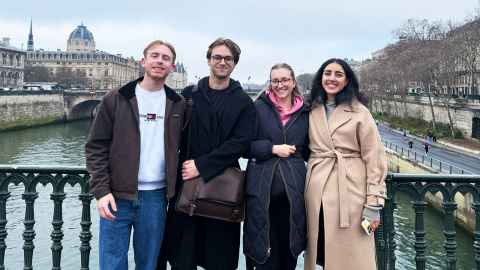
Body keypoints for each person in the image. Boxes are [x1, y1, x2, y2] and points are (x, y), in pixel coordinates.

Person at [85, 40, 185, 270]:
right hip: (116, 196)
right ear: (143, 61)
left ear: (172, 66)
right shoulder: (116, 98)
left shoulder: (178, 104)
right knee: (112, 263)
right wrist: (101, 191)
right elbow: (95, 147)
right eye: (155, 55)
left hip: (156, 197)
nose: (160, 61)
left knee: (148, 264)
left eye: (166, 58)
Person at [160, 38, 256, 270]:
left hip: (221, 187)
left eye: (228, 59)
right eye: (217, 57)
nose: (222, 62)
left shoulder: (243, 101)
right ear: (208, 60)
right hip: (187, 183)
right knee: (182, 256)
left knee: (219, 257)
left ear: (234, 64)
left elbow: (242, 143)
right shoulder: (189, 95)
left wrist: (202, 165)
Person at [304, 58, 387, 270]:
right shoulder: (312, 109)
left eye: (338, 74)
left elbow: (375, 158)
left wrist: (374, 204)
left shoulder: (360, 112)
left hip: (351, 194)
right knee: (322, 253)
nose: (332, 78)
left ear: (347, 80)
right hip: (316, 194)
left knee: (354, 255)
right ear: (320, 78)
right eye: (327, 73)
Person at [243, 63, 309, 270]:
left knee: (289, 254)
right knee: (264, 255)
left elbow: (312, 149)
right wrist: (272, 149)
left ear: (293, 82)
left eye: (285, 80)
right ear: (270, 83)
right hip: (262, 193)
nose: (280, 85)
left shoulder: (306, 112)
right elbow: (244, 146)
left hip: (294, 193)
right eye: (275, 81)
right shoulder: (257, 108)